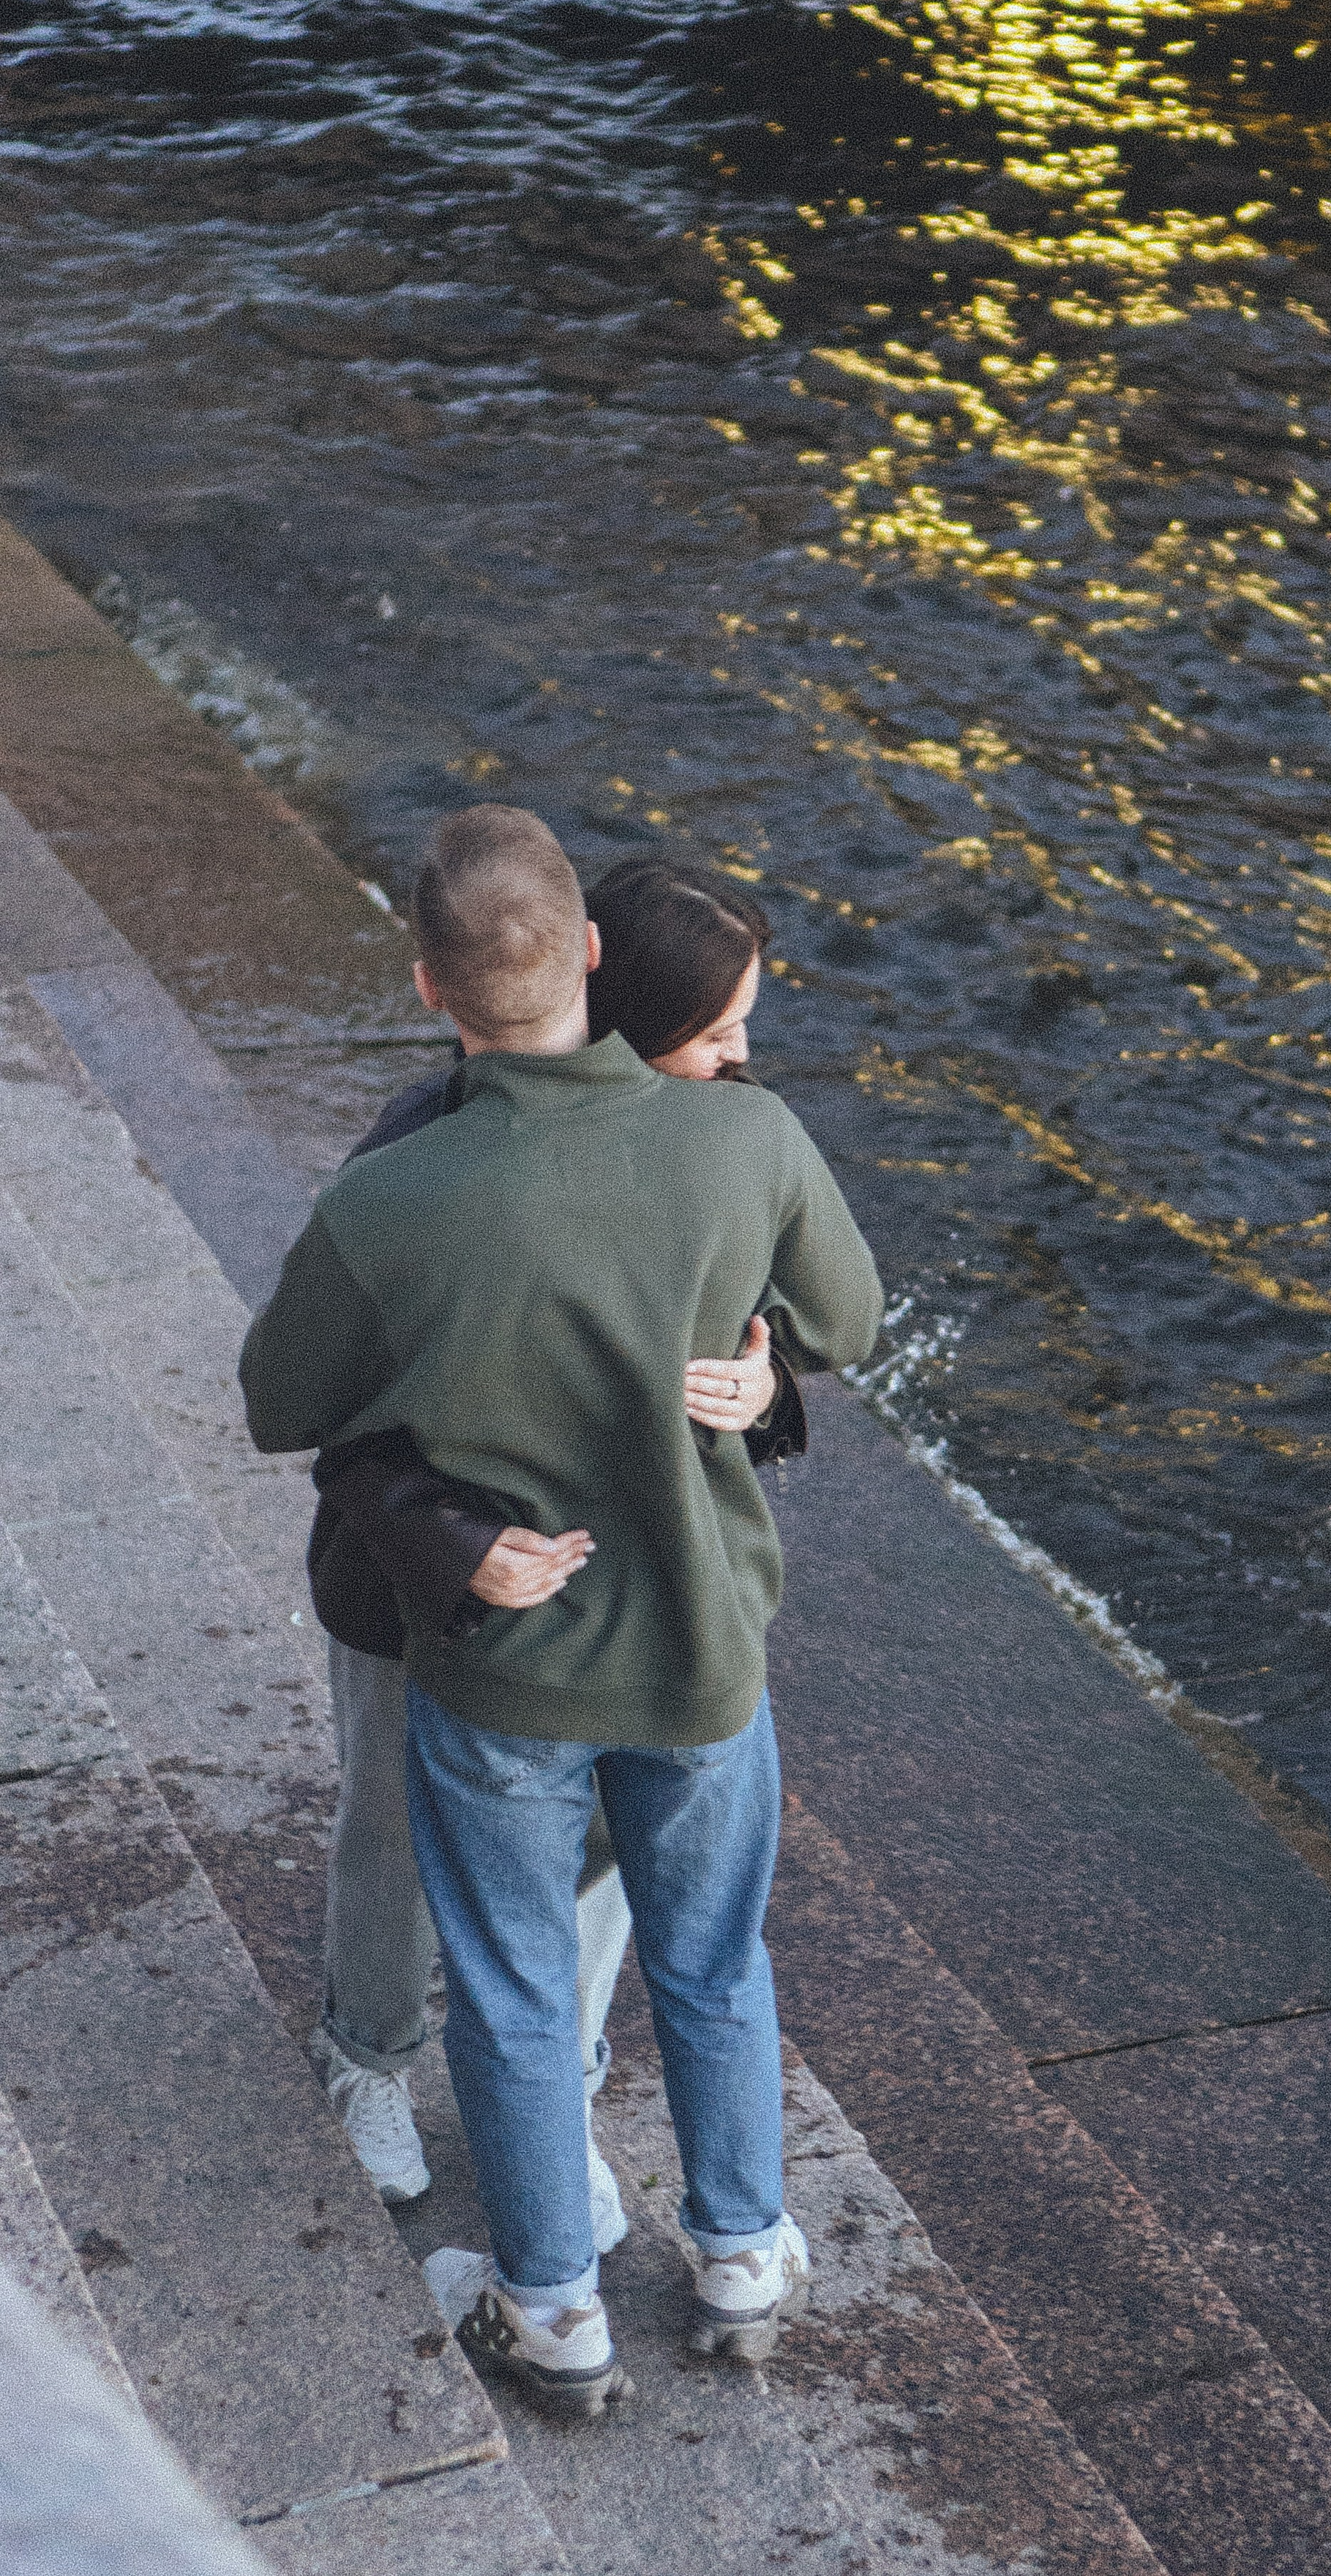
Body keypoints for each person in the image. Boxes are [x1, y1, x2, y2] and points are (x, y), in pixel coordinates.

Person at [241, 809, 881, 2419]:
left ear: (426, 985)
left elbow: (279, 1402)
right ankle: (741, 2255)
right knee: (714, 1962)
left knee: (520, 1989)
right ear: (592, 958)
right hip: (699, 1655)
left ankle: (552, 2318)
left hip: (508, 1666)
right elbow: (851, 1314)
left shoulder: (399, 1193)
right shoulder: (748, 1143)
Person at [302, 861, 800, 2251]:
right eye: (716, 1032)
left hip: (636, 1585)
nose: (743, 1058)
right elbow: (332, 1412)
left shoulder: (729, 1132)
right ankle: (370, 2052)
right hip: (431, 1595)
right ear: (609, 1002)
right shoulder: (427, 1147)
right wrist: (461, 1551)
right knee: (396, 1829)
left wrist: (771, 1392)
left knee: (590, 1865)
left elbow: (790, 1316)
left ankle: (551, 2105)